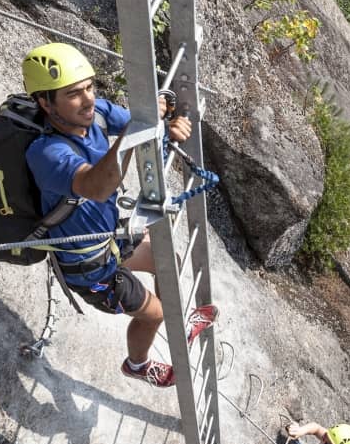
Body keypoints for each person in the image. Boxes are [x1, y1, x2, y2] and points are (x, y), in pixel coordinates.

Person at [22, 42, 216, 388]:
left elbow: (137, 122)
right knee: (154, 312)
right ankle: (137, 364)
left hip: (111, 238)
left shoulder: (95, 115)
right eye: (73, 94)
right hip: (89, 268)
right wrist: (135, 131)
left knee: (164, 258)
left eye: (89, 87)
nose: (88, 100)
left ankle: (178, 325)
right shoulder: (47, 152)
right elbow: (96, 186)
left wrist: (164, 127)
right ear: (45, 103)